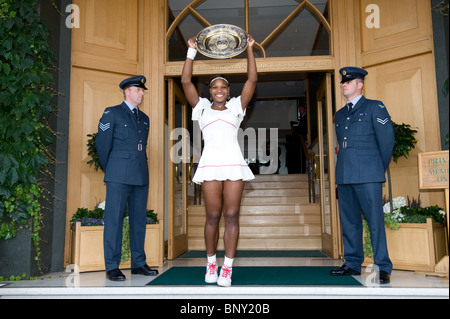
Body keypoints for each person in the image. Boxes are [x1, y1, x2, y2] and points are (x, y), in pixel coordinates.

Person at [181, 35, 257, 287]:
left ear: (228, 91)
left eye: (223, 87)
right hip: (211, 164)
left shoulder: (237, 106)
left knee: (232, 215)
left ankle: (228, 268)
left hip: (233, 164)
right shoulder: (201, 107)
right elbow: (185, 81)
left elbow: (252, 79)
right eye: (215, 87)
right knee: (213, 216)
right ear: (210, 91)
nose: (219, 91)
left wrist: (248, 49)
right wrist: (191, 52)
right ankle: (211, 263)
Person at [330, 67, 395, 284]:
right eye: (342, 82)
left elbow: (387, 142)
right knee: (349, 222)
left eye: (349, 81)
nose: (344, 84)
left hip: (368, 174)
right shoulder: (339, 114)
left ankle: (383, 266)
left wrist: (377, 168)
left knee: (374, 221)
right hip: (345, 174)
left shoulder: (375, 107)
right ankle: (352, 263)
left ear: (360, 84)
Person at [96, 75, 159, 281]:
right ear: (127, 91)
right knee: (114, 220)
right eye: (138, 89)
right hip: (118, 174)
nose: (141, 93)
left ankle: (138, 263)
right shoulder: (111, 113)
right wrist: (112, 170)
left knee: (139, 220)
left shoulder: (145, 118)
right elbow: (103, 146)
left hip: (140, 174)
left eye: (142, 90)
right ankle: (112, 266)